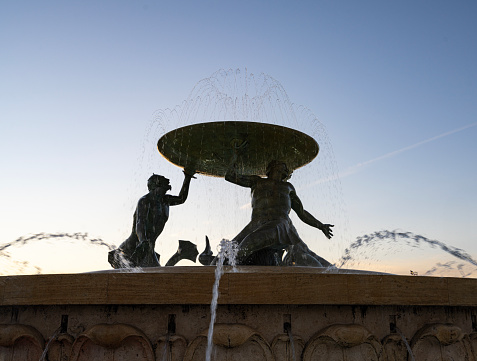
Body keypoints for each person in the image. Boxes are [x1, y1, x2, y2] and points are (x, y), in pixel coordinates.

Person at [225, 160, 333, 266]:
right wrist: (236, 155)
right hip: (255, 225)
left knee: (245, 247)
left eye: (284, 166)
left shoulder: (288, 187)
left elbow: (302, 212)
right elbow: (230, 176)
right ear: (270, 168)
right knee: (224, 256)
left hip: (280, 224)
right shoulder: (257, 181)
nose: (283, 167)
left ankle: (331, 272)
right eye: (280, 165)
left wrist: (321, 226)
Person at [108, 170, 195, 268]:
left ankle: (178, 254)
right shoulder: (145, 201)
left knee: (156, 276)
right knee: (152, 276)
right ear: (156, 185)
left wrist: (187, 178)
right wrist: (143, 241)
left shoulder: (165, 200)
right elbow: (140, 223)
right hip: (134, 248)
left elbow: (181, 198)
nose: (168, 182)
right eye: (164, 182)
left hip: (148, 247)